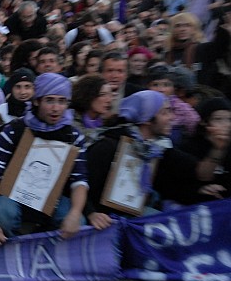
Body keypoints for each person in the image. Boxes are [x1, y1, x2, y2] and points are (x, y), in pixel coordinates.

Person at [85, 91, 224, 230]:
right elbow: (82, 185)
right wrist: (92, 213)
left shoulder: (156, 148)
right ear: (147, 119)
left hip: (130, 215)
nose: (172, 117)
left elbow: (200, 173)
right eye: (165, 112)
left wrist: (217, 149)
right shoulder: (108, 145)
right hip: (98, 216)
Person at [0, 73, 88, 246]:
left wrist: (75, 214)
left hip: (53, 198)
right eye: (50, 100)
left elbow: (80, 180)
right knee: (3, 213)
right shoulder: (14, 130)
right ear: (37, 101)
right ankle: (15, 246)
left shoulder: (73, 135)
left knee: (78, 221)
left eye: (62, 101)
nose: (56, 108)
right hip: (13, 195)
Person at [179, 97, 231, 202]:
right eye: (218, 119)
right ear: (204, 122)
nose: (226, 124)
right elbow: (185, 181)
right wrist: (217, 149)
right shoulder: (189, 146)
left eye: (229, 119)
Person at [70, 74, 113, 143]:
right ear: (88, 96)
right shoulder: (71, 120)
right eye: (102, 95)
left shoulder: (104, 121)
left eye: (110, 94)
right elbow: (85, 140)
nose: (109, 100)